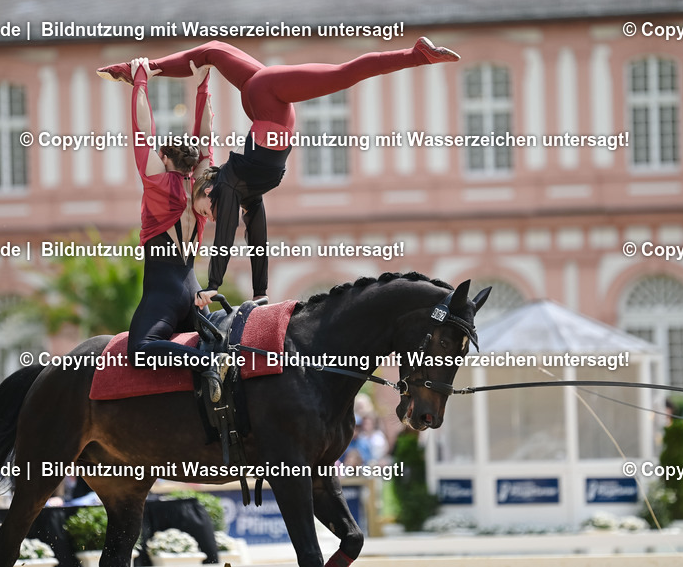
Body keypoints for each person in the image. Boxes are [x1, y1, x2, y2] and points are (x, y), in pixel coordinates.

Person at [98, 38, 460, 305]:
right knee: (209, 53)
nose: (214, 216)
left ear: (209, 194)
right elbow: (259, 241)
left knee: (342, 73)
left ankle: (416, 56)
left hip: (267, 98)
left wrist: (213, 284)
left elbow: (224, 236)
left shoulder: (226, 186)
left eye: (208, 209)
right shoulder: (246, 194)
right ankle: (139, 70)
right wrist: (260, 293)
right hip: (264, 105)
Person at [112, 58, 227, 402]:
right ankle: (214, 361)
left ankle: (204, 360)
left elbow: (142, 130)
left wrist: (140, 80)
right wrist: (203, 82)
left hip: (162, 297)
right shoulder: (199, 190)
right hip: (194, 296)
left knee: (141, 350)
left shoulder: (157, 183)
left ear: (164, 157)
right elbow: (206, 132)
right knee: (217, 336)